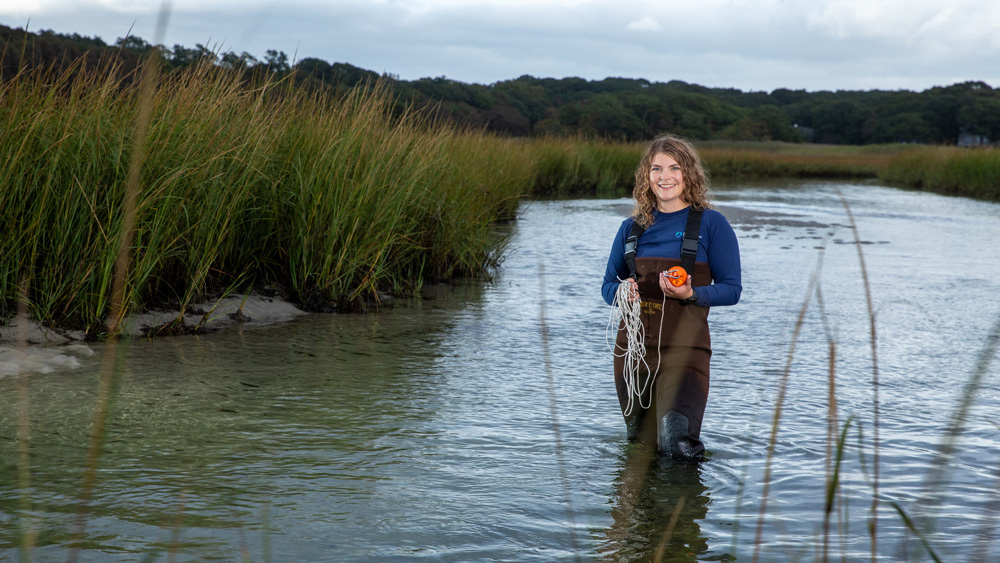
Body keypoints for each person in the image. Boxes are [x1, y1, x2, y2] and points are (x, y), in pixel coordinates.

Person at [602, 134, 741, 458]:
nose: (664, 177)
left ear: (688, 173)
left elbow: (732, 290)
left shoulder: (713, 224)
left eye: (674, 167)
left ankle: (684, 508)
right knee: (641, 447)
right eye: (656, 169)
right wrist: (623, 291)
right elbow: (608, 286)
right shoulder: (630, 228)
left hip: (686, 352)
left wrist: (691, 292)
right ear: (646, 176)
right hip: (632, 353)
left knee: (677, 444)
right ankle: (643, 510)